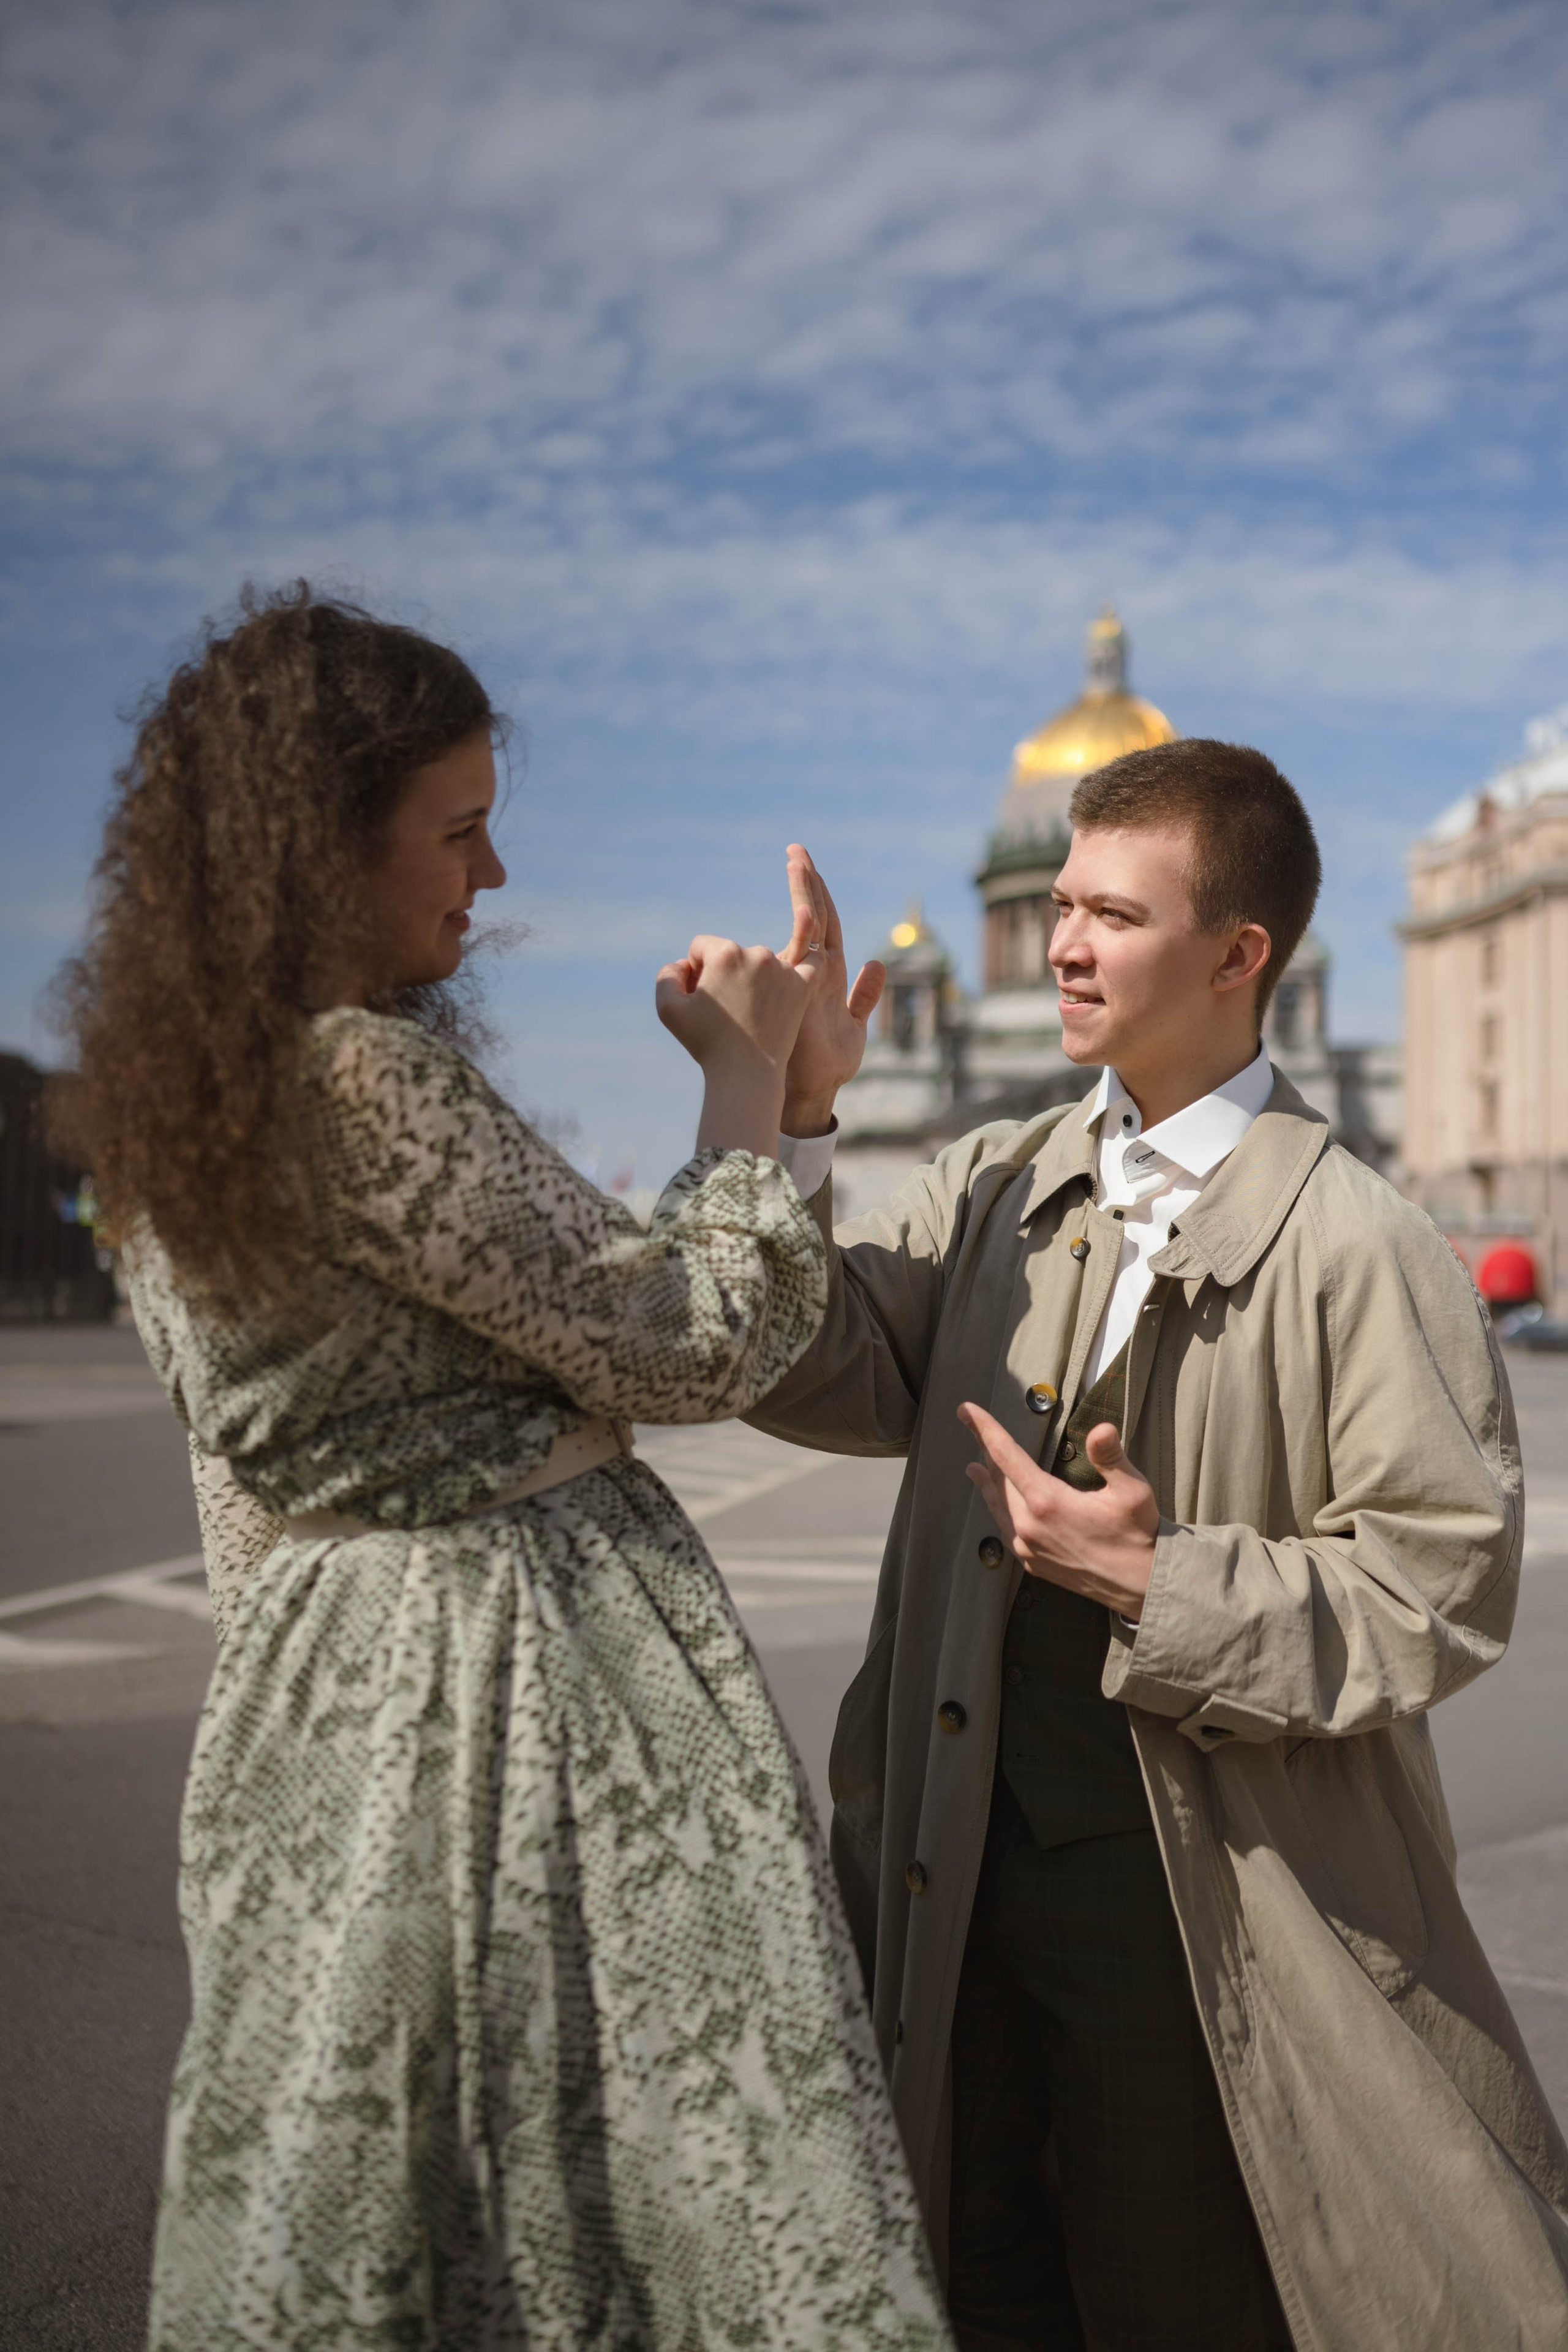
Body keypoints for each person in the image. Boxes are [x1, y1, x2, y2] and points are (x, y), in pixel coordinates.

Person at [56, 584, 952, 2351]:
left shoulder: (187, 1109)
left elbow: (245, 1479)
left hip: (329, 1689)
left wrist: (295, 1732)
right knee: (614, 2201)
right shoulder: (366, 1084)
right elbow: (694, 1342)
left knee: (388, 2192)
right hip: (515, 1692)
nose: (488, 878)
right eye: (455, 831)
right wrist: (751, 1078)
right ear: (319, 850)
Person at [750, 743, 1568, 2352]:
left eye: (1113, 913)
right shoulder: (994, 1181)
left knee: (1170, 2294)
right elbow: (806, 1359)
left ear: (1237, 954)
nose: (1062, 943)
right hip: (951, 1872)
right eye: (1056, 904)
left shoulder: (1362, 1241)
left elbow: (1442, 1581)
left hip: (1199, 1909)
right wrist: (798, 1125)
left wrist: (1159, 1579)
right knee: (970, 2273)